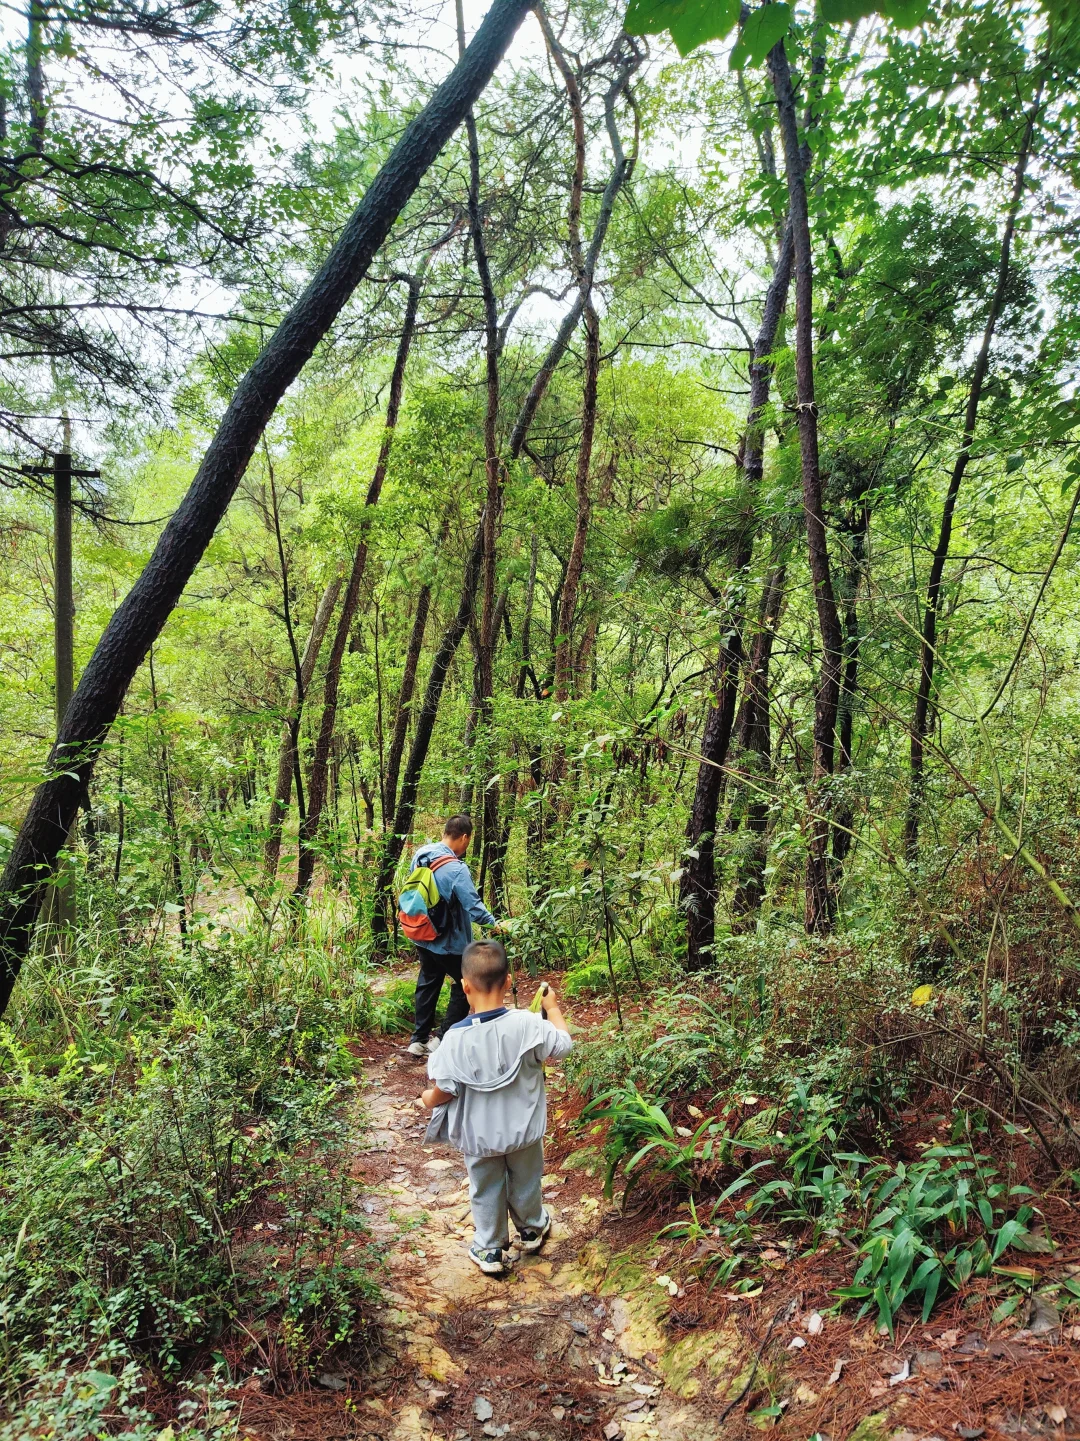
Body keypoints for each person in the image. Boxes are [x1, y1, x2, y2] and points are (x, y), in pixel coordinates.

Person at [420, 940, 573, 1276]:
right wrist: (554, 1008)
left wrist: (426, 1099)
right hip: (525, 1132)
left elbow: (444, 1090)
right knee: (527, 1179)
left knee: (486, 1187)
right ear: (507, 982)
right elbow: (563, 1045)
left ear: (465, 986)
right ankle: (531, 1228)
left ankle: (490, 1249)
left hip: (480, 1138)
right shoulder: (528, 1025)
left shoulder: (453, 1041)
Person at [405, 814, 502, 1058]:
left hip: (422, 933)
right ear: (465, 837)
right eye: (468, 841)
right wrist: (494, 925)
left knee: (428, 981)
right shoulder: (457, 869)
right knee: (465, 983)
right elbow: (473, 906)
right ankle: (443, 1038)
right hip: (449, 942)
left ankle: (417, 1040)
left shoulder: (422, 854)